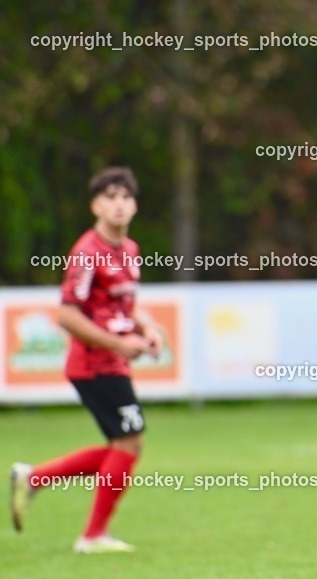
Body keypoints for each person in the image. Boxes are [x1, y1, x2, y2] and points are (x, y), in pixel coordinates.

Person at [10, 167, 161, 553]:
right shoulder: (87, 253)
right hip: (94, 365)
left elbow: (125, 305)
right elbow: (66, 315)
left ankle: (34, 478)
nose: (119, 204)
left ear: (135, 205)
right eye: (110, 197)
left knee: (124, 446)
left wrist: (148, 328)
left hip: (111, 363)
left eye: (125, 197)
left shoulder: (130, 250)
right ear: (95, 205)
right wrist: (117, 344)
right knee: (130, 443)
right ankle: (92, 536)